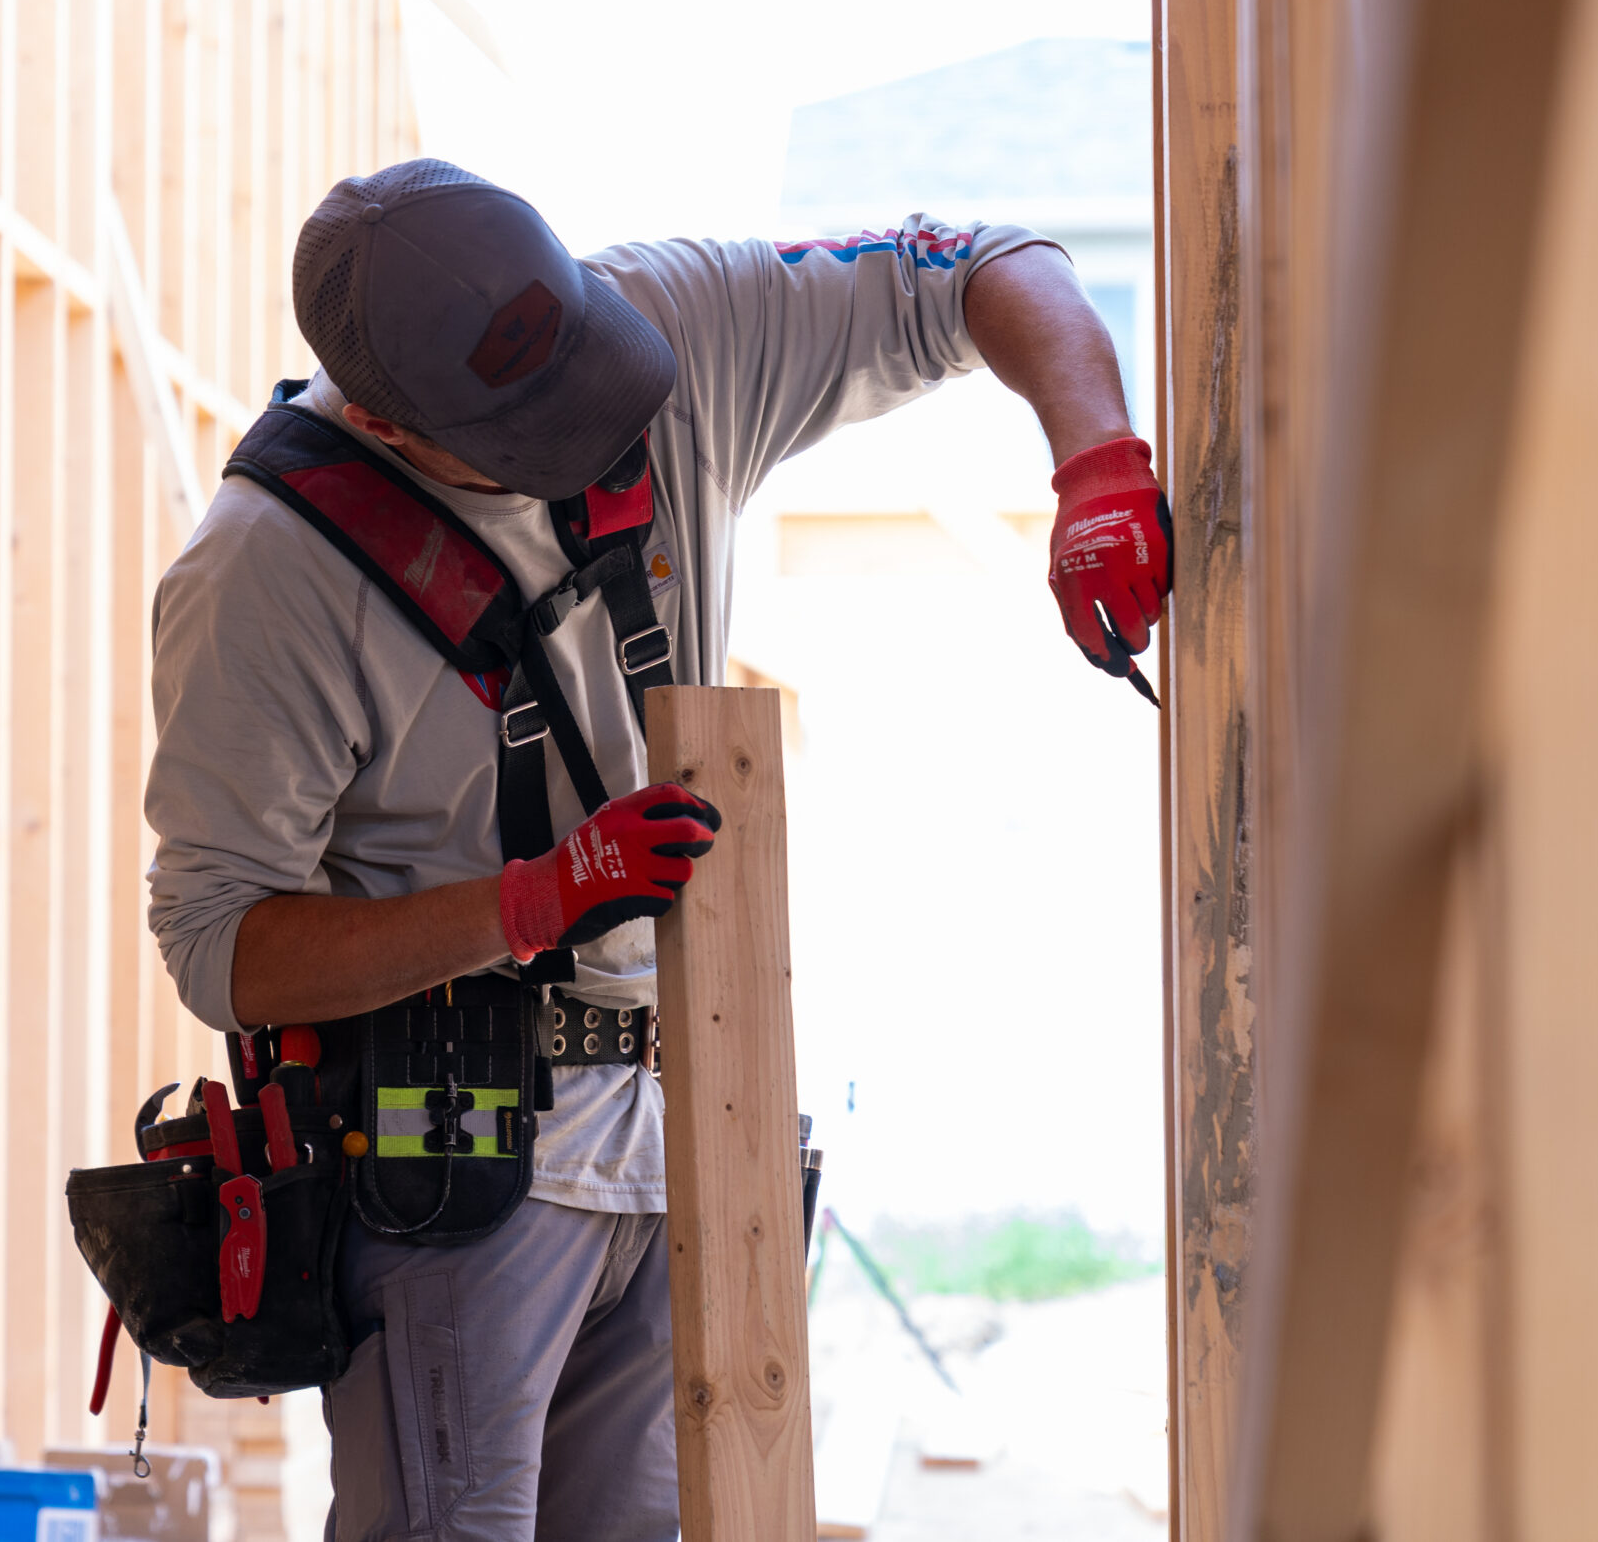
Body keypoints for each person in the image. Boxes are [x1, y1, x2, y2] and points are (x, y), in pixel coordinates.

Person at [145, 158, 1170, 1541]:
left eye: (583, 380)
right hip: (455, 1156)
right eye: (522, 427)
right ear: (386, 419)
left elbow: (987, 260)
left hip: (687, 1115)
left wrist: (1095, 460)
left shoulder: (674, 327)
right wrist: (532, 901)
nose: (582, 433)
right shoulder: (268, 571)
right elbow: (223, 948)